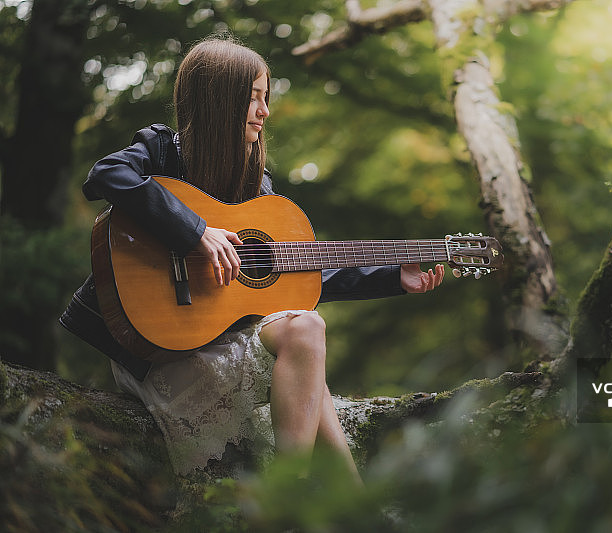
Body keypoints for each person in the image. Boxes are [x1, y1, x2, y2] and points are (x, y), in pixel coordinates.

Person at [60, 36, 444, 479]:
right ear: (220, 100)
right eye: (255, 98)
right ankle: (303, 497)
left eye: (266, 99)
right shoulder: (164, 150)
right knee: (308, 332)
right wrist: (195, 231)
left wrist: (394, 278)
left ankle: (341, 501)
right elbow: (107, 174)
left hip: (220, 341)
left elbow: (293, 274)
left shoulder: (256, 186)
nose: (265, 112)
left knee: (305, 329)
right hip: (161, 350)